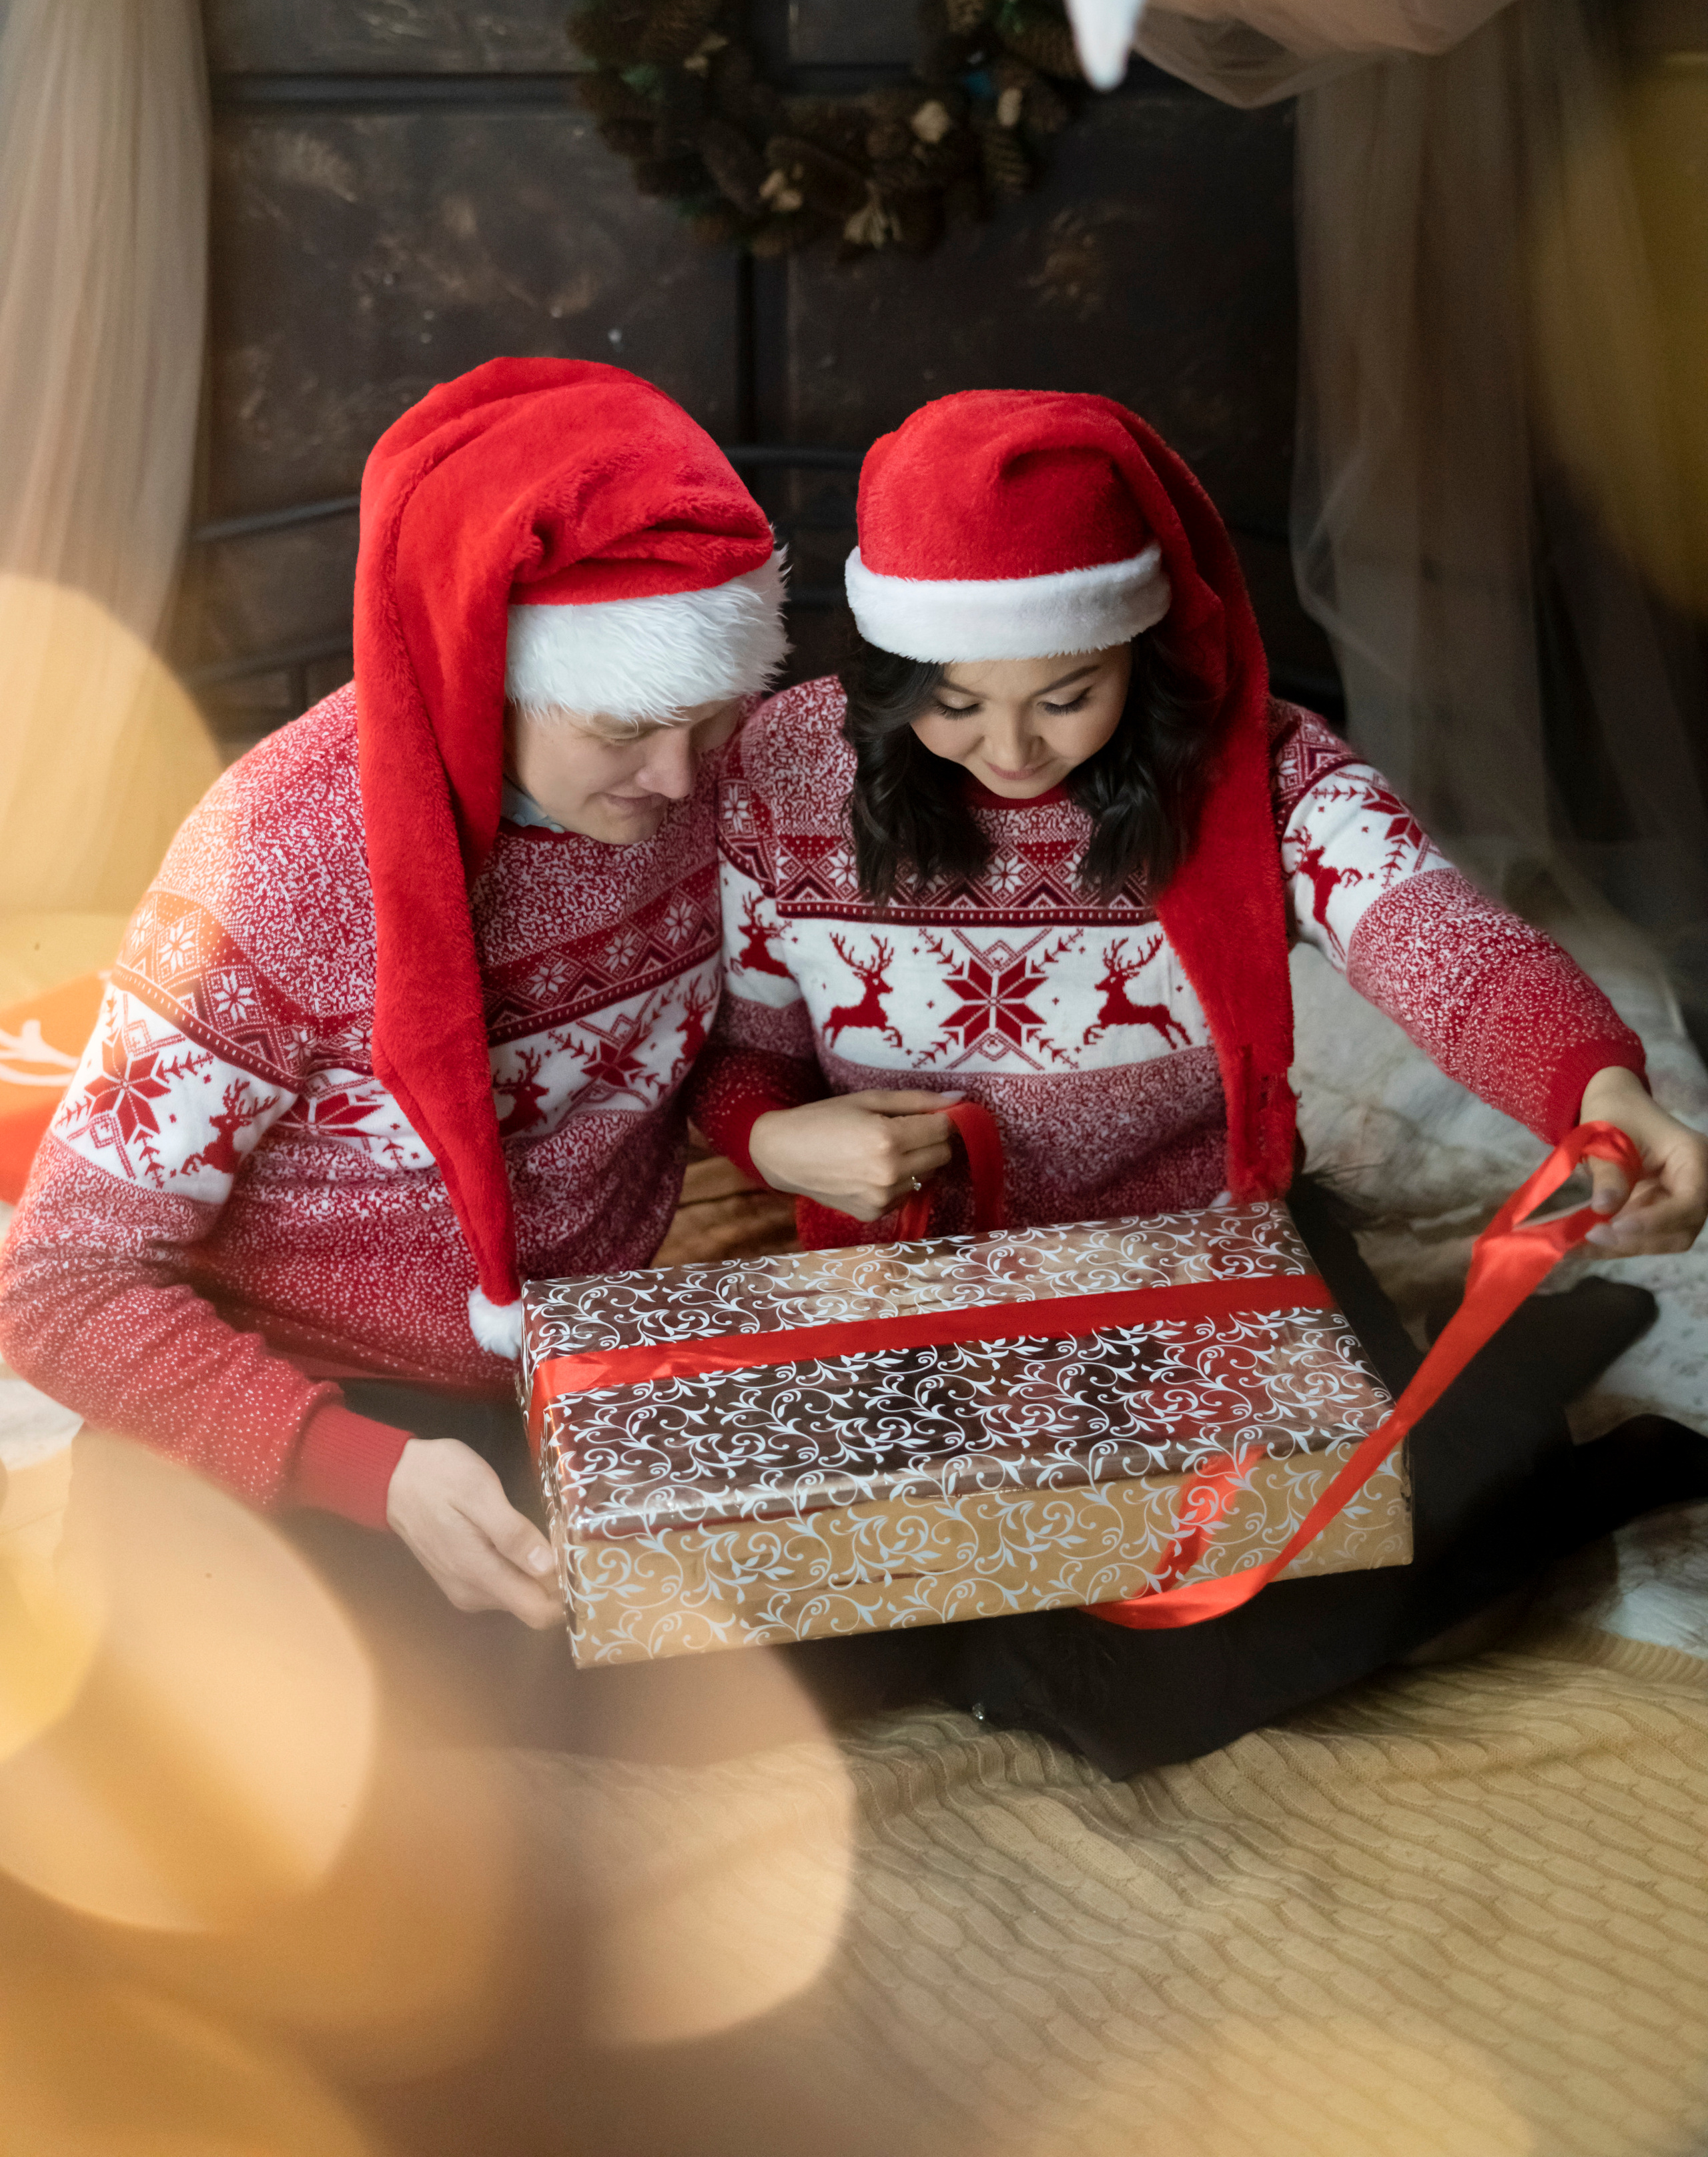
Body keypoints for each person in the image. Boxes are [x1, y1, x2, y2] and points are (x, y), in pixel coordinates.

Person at [691, 386, 1708, 1773]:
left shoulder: (1258, 765)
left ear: (1138, 644)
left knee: (1158, 1678)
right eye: (952, 701)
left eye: (1066, 696)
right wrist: (776, 1144)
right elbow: (742, 1058)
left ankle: (1535, 1419)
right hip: (919, 1298)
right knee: (769, 1659)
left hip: (1199, 1269)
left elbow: (1428, 934)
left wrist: (1592, 1086)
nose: (1010, 752)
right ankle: (1524, 1403)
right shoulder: (778, 771)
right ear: (884, 669)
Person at [0, 358, 787, 1685]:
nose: (676, 777)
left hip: (557, 1386)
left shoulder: (708, 780)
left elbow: (693, 1036)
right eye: (627, 727)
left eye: (708, 723)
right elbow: (55, 1288)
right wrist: (361, 1469)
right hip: (305, 1402)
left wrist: (765, 1129)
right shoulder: (284, 859)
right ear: (485, 669)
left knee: (843, 1615)